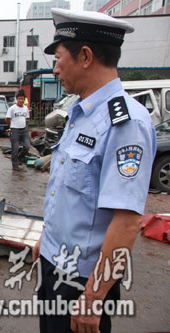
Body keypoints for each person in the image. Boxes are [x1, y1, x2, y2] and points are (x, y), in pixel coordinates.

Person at [33, 9, 156, 333]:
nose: (55, 68)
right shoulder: (80, 112)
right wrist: (46, 239)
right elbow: (70, 196)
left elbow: (127, 222)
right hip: (53, 265)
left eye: (59, 58)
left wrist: (94, 296)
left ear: (85, 56)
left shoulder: (126, 124)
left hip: (81, 282)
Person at [6, 90, 31, 171]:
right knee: (15, 148)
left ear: (24, 99)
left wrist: (25, 127)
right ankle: (15, 165)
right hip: (15, 130)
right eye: (19, 98)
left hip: (24, 130)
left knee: (27, 146)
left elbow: (26, 118)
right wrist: (11, 126)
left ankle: (19, 159)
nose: (21, 100)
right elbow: (7, 119)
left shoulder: (25, 108)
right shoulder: (12, 108)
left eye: (22, 99)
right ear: (17, 99)